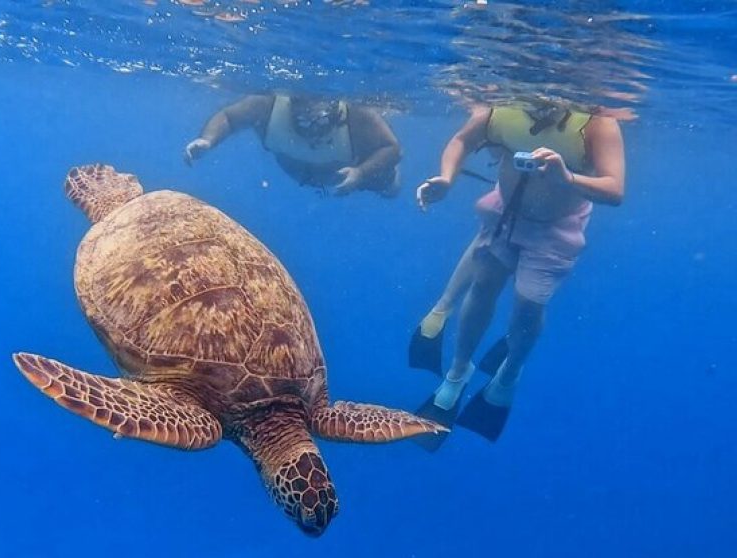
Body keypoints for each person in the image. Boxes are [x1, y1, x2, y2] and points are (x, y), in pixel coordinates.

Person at [410, 100, 626, 446]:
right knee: (482, 286)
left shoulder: (597, 122)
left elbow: (615, 190)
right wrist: (447, 178)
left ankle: (508, 374)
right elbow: (462, 140)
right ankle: (457, 371)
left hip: (556, 228)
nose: (543, 102)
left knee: (529, 306)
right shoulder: (501, 105)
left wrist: (566, 176)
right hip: (505, 215)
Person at [184, 93, 402, 197]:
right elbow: (229, 118)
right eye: (303, 107)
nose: (311, 115)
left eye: (319, 116)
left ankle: (385, 178)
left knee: (390, 189)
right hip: (308, 175)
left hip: (353, 170)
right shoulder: (267, 107)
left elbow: (392, 148)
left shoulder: (358, 115)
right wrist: (208, 139)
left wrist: (362, 173)